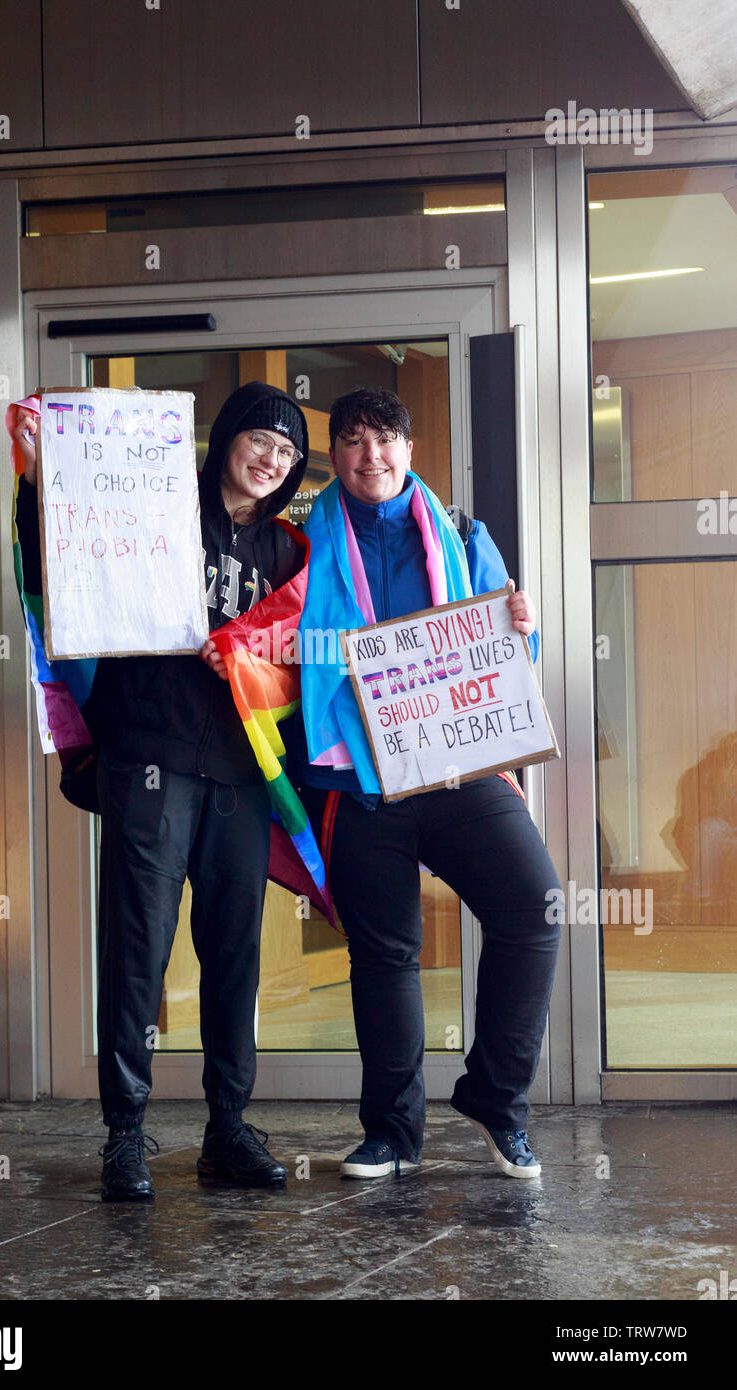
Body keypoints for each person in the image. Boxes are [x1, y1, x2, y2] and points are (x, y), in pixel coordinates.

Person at [11, 381, 309, 1199]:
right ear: (226, 441)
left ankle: (226, 1131)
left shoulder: (289, 553)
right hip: (149, 754)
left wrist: (252, 667)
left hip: (243, 773)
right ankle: (125, 1136)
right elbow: (65, 565)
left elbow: (306, 658)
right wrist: (42, 483)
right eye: (259, 441)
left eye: (286, 454)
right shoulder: (159, 509)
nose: (270, 461)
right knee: (137, 947)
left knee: (234, 953)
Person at [290, 387, 563, 1180]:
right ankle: (391, 1133)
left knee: (536, 910)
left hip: (455, 767)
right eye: (351, 442)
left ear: (409, 451)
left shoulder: (465, 534)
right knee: (385, 957)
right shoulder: (304, 546)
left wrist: (523, 623)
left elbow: (512, 655)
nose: (369, 457)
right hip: (357, 777)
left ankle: (495, 1099)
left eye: (384, 441)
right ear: (333, 456)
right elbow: (275, 644)